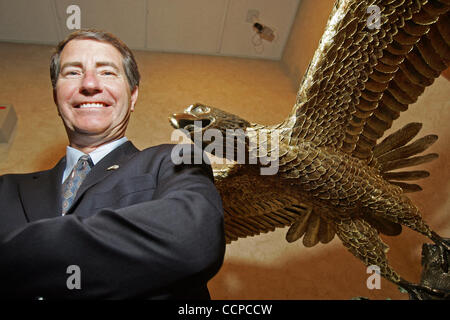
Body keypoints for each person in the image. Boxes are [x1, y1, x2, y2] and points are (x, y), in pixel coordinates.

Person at [0, 29, 225, 299]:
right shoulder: (6, 188)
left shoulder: (175, 159)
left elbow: (192, 239)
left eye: (107, 72)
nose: (90, 84)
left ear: (132, 96)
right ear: (56, 96)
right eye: (72, 72)